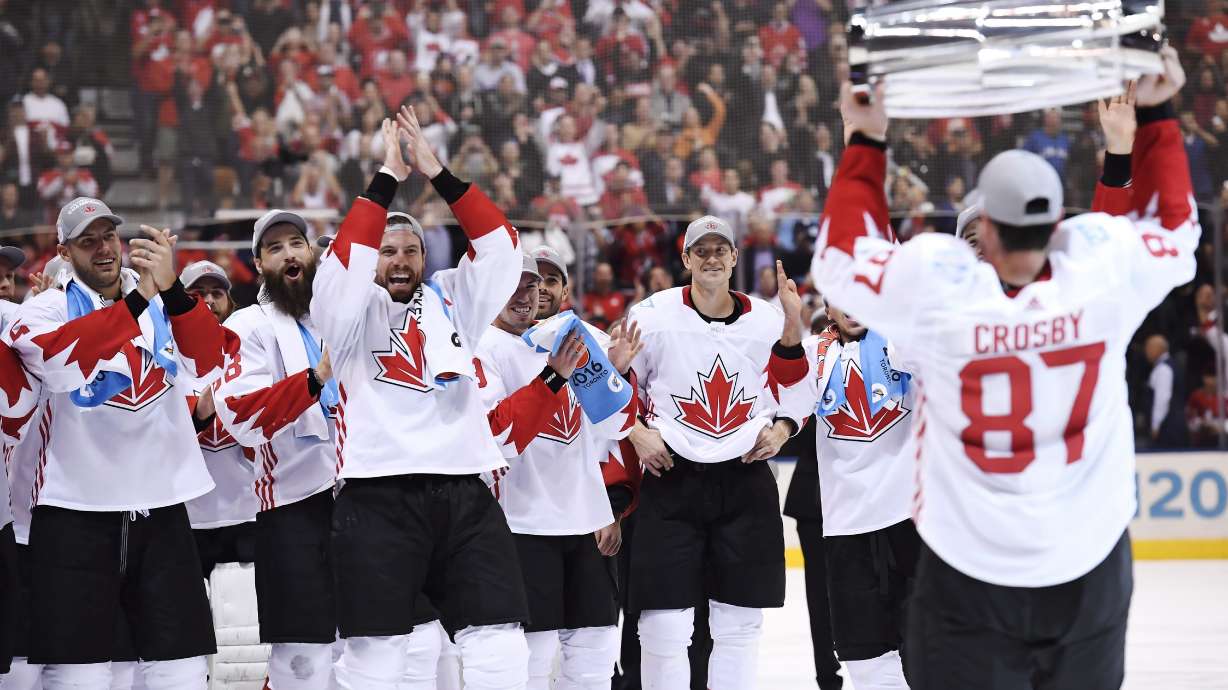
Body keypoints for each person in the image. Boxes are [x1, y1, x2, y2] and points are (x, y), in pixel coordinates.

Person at [814, 46, 1194, 689]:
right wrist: (1153, 117)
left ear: (984, 229)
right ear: (1055, 225)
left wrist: (866, 141)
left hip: (969, 566)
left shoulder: (939, 298)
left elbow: (844, 255)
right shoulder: (1096, 281)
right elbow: (1171, 226)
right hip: (1087, 561)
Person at [312, 108, 530, 690]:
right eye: (388, 251)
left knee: (499, 641)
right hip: (377, 492)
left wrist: (438, 173)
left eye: (411, 250)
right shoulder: (348, 314)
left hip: (464, 486)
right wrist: (386, 178)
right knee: (375, 654)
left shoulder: (455, 299)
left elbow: (504, 252)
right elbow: (338, 272)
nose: (401, 260)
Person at [4, 197, 240, 688]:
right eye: (87, 241)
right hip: (75, 509)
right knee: (80, 675)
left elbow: (209, 360)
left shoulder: (161, 299)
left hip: (163, 503)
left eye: (108, 236)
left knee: (182, 670)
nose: (103, 249)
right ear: (65, 252)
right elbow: (58, 362)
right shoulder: (42, 310)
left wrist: (172, 290)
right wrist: (137, 304)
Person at [624, 215, 794, 690]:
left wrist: (782, 429)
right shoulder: (651, 315)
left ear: (736, 258)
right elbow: (614, 382)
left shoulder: (768, 320)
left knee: (738, 624)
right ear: (685, 260)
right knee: (662, 626)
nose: (712, 257)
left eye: (721, 249)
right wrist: (636, 432)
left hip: (744, 480)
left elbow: (798, 387)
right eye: (702, 250)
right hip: (672, 478)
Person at [475, 248, 640, 690]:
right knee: (532, 657)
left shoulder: (575, 340)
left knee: (595, 653)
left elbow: (619, 427)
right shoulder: (481, 349)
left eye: (534, 284)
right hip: (521, 525)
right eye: (516, 284)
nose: (528, 294)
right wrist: (552, 378)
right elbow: (498, 437)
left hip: (584, 523)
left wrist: (617, 375)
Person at [770, 260, 921, 689]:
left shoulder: (901, 342)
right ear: (829, 307)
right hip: (846, 527)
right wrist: (789, 323)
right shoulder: (817, 352)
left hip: (909, 520)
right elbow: (789, 393)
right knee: (862, 652)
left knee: (928, 645)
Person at [211, 210, 345, 689]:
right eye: (275, 247)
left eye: (296, 243)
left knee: (367, 641)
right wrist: (315, 378)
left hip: (361, 495)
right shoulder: (248, 325)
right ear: (258, 263)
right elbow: (242, 416)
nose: (289, 253)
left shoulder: (339, 317)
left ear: (311, 253)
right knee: (301, 654)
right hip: (291, 500)